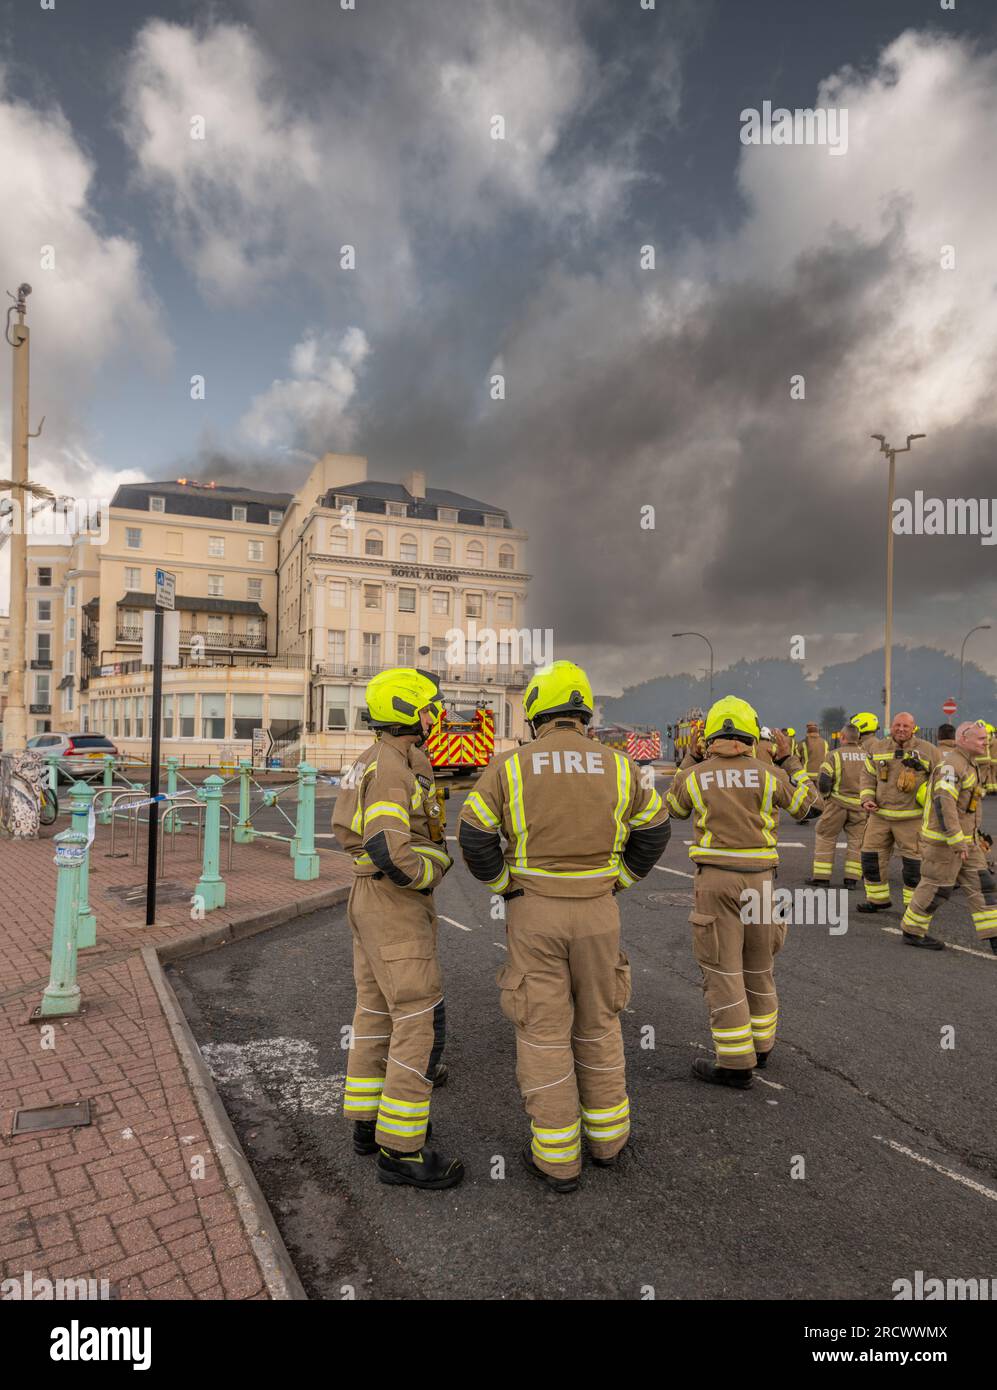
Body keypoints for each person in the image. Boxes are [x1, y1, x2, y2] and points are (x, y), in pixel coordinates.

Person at [457, 660, 670, 1193]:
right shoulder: (621, 766)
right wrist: (620, 878)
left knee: (544, 1030)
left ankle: (557, 1159)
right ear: (584, 714)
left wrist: (504, 885)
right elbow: (657, 828)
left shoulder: (509, 767)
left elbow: (474, 835)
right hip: (600, 912)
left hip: (535, 911)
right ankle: (609, 1142)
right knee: (598, 1023)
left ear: (536, 715)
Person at [331, 667, 463, 1191]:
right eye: (431, 707)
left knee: (375, 1011)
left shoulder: (372, 760)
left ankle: (367, 1126)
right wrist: (434, 872)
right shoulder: (391, 768)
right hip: (393, 901)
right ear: (411, 712)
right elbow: (390, 846)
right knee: (417, 1019)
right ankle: (402, 1151)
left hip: (369, 898)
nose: (437, 716)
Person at [666, 696, 822, 1088]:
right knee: (759, 966)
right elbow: (811, 807)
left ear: (711, 736)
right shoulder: (770, 773)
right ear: (752, 735)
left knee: (723, 970)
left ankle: (735, 1063)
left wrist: (689, 759)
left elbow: (672, 807)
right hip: (762, 882)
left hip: (716, 882)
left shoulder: (697, 775)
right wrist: (791, 763)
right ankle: (762, 1045)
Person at [901, 721, 997, 952]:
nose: (987, 743)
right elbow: (944, 803)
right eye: (982, 739)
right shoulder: (952, 765)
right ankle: (912, 931)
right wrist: (955, 838)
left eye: (987, 739)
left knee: (984, 886)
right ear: (963, 738)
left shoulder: (968, 763)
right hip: (944, 844)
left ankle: (994, 937)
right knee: (936, 888)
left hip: (967, 842)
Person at [857, 712, 940, 915]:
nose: (901, 729)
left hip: (911, 818)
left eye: (906, 726)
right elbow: (867, 775)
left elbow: (940, 780)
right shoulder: (877, 748)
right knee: (870, 858)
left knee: (914, 865)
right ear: (891, 727)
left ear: (914, 728)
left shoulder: (928, 750)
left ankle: (914, 906)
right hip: (880, 816)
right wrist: (867, 799)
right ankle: (877, 900)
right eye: (897, 725)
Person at [809, 723, 867, 886]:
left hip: (836, 805)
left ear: (842, 737)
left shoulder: (834, 755)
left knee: (825, 837)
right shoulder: (867, 755)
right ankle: (851, 879)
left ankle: (821, 877)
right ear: (858, 738)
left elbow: (825, 780)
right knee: (857, 842)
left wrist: (826, 796)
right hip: (860, 807)